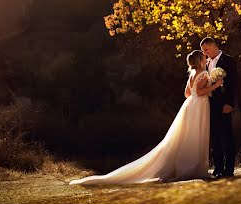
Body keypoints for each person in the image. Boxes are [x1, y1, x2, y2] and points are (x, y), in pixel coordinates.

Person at [69, 50, 223, 186]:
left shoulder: (192, 75)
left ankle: (189, 164)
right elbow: (199, 92)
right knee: (195, 134)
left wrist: (196, 97)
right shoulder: (202, 73)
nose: (205, 58)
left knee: (187, 135)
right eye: (203, 57)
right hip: (198, 107)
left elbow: (187, 94)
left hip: (190, 106)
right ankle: (192, 166)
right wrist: (215, 86)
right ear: (199, 60)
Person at [200, 37, 237, 178]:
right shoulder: (207, 62)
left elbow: (233, 84)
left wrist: (229, 103)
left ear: (214, 46)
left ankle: (229, 169)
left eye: (206, 50)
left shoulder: (228, 60)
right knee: (214, 137)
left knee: (227, 136)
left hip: (224, 105)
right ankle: (218, 168)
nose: (205, 53)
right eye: (203, 51)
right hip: (210, 105)